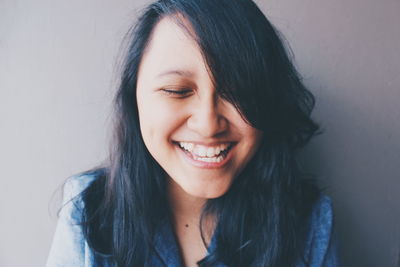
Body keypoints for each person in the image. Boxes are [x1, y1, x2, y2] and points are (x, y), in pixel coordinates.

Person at [46, 0, 339, 266]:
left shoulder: (309, 222)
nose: (209, 124)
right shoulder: (88, 210)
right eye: (178, 91)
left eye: (238, 94)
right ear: (135, 97)